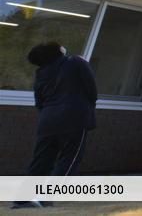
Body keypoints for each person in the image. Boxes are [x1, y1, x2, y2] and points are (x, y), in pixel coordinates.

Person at [25, 42, 98, 176]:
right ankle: (47, 196)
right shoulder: (75, 61)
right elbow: (92, 90)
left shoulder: (41, 72)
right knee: (69, 160)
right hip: (75, 119)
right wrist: (88, 107)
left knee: (40, 162)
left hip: (47, 121)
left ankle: (25, 196)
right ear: (58, 51)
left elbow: (39, 102)